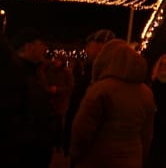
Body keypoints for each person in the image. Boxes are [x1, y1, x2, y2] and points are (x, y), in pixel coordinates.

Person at [70, 38, 156, 168]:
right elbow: (147, 134)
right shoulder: (146, 93)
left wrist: (76, 153)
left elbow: (82, 129)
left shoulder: (101, 88)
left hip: (98, 158)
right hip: (132, 159)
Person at [64, 29, 116, 155]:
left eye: (89, 45)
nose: (86, 50)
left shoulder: (100, 77)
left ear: (101, 46)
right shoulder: (91, 72)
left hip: (93, 149)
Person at [13, 27, 58, 168]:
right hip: (25, 153)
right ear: (28, 46)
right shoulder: (16, 74)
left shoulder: (35, 72)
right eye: (41, 44)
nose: (45, 48)